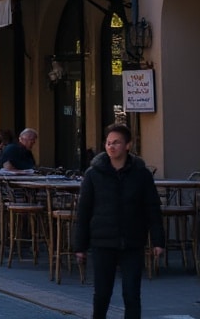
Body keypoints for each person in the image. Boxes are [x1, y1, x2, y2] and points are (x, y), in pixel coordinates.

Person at [73, 123, 164, 319]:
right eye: (108, 143)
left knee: (132, 294)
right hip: (103, 242)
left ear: (128, 145)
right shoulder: (94, 174)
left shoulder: (141, 174)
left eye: (116, 143)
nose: (111, 147)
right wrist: (80, 246)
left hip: (132, 241)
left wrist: (158, 240)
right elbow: (84, 211)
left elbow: (152, 207)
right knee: (102, 294)